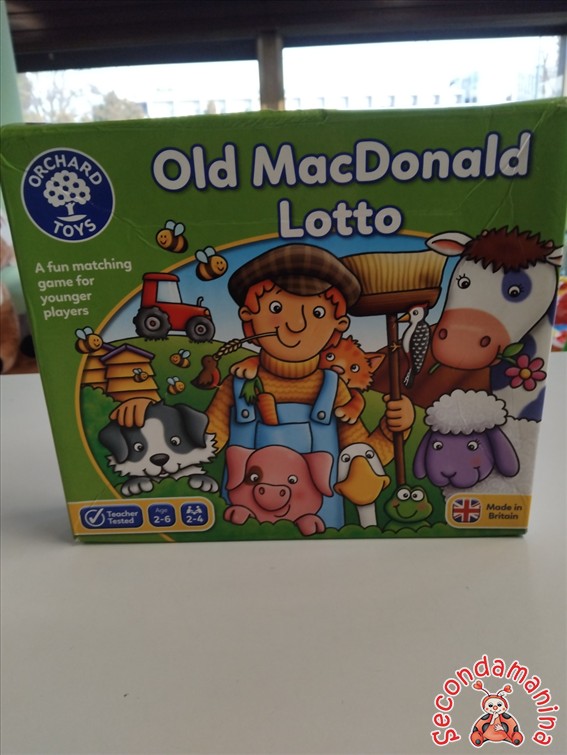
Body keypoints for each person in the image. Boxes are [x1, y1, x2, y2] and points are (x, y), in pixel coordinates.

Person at [113, 243, 415, 529]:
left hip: (320, 528)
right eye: (276, 308)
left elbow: (360, 456)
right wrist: (150, 416)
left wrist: (392, 429)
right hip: (245, 525)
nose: (295, 325)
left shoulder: (335, 390)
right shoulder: (237, 384)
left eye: (317, 313)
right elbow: (202, 442)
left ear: (339, 327)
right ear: (248, 319)